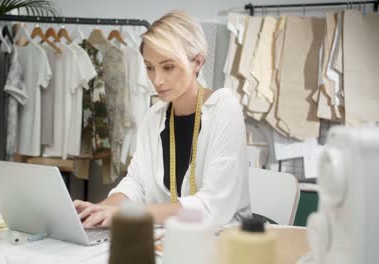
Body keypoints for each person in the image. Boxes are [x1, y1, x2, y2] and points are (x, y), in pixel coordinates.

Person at [74, 10, 251, 228]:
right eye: (150, 67)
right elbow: (136, 184)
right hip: (168, 239)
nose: (157, 80)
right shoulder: (154, 116)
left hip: (222, 241)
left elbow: (213, 207)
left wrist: (129, 214)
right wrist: (102, 209)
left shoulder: (224, 109)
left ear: (197, 62)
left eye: (168, 67)